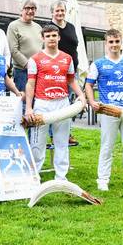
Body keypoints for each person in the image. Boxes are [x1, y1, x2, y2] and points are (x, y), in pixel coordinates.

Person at [84, 29, 123, 192]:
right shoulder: (98, 64)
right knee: (107, 147)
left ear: (121, 43)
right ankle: (103, 180)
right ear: (106, 43)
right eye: (111, 42)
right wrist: (91, 101)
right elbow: (88, 85)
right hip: (109, 110)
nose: (114, 45)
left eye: (117, 41)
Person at [25, 25, 85, 181]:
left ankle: (61, 177)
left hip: (62, 104)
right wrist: (29, 108)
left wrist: (81, 95)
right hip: (42, 104)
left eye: (54, 35)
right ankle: (34, 177)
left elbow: (71, 80)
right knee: (37, 144)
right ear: (42, 38)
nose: (51, 38)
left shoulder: (67, 58)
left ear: (59, 37)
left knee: (62, 142)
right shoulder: (35, 59)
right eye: (48, 36)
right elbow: (30, 84)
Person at [49, 0, 82, 146]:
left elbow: (74, 47)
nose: (60, 13)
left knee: (67, 103)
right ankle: (53, 135)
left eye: (62, 10)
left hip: (71, 71)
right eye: (57, 10)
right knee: (55, 103)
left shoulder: (71, 27)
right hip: (56, 72)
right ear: (52, 13)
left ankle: (66, 133)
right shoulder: (50, 28)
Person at [7, 0, 43, 95]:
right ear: (21, 9)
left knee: (38, 100)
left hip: (38, 71)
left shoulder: (38, 27)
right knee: (23, 100)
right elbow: (13, 50)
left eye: (33, 8)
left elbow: (42, 49)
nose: (30, 11)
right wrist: (29, 65)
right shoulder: (13, 26)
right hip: (22, 72)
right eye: (27, 8)